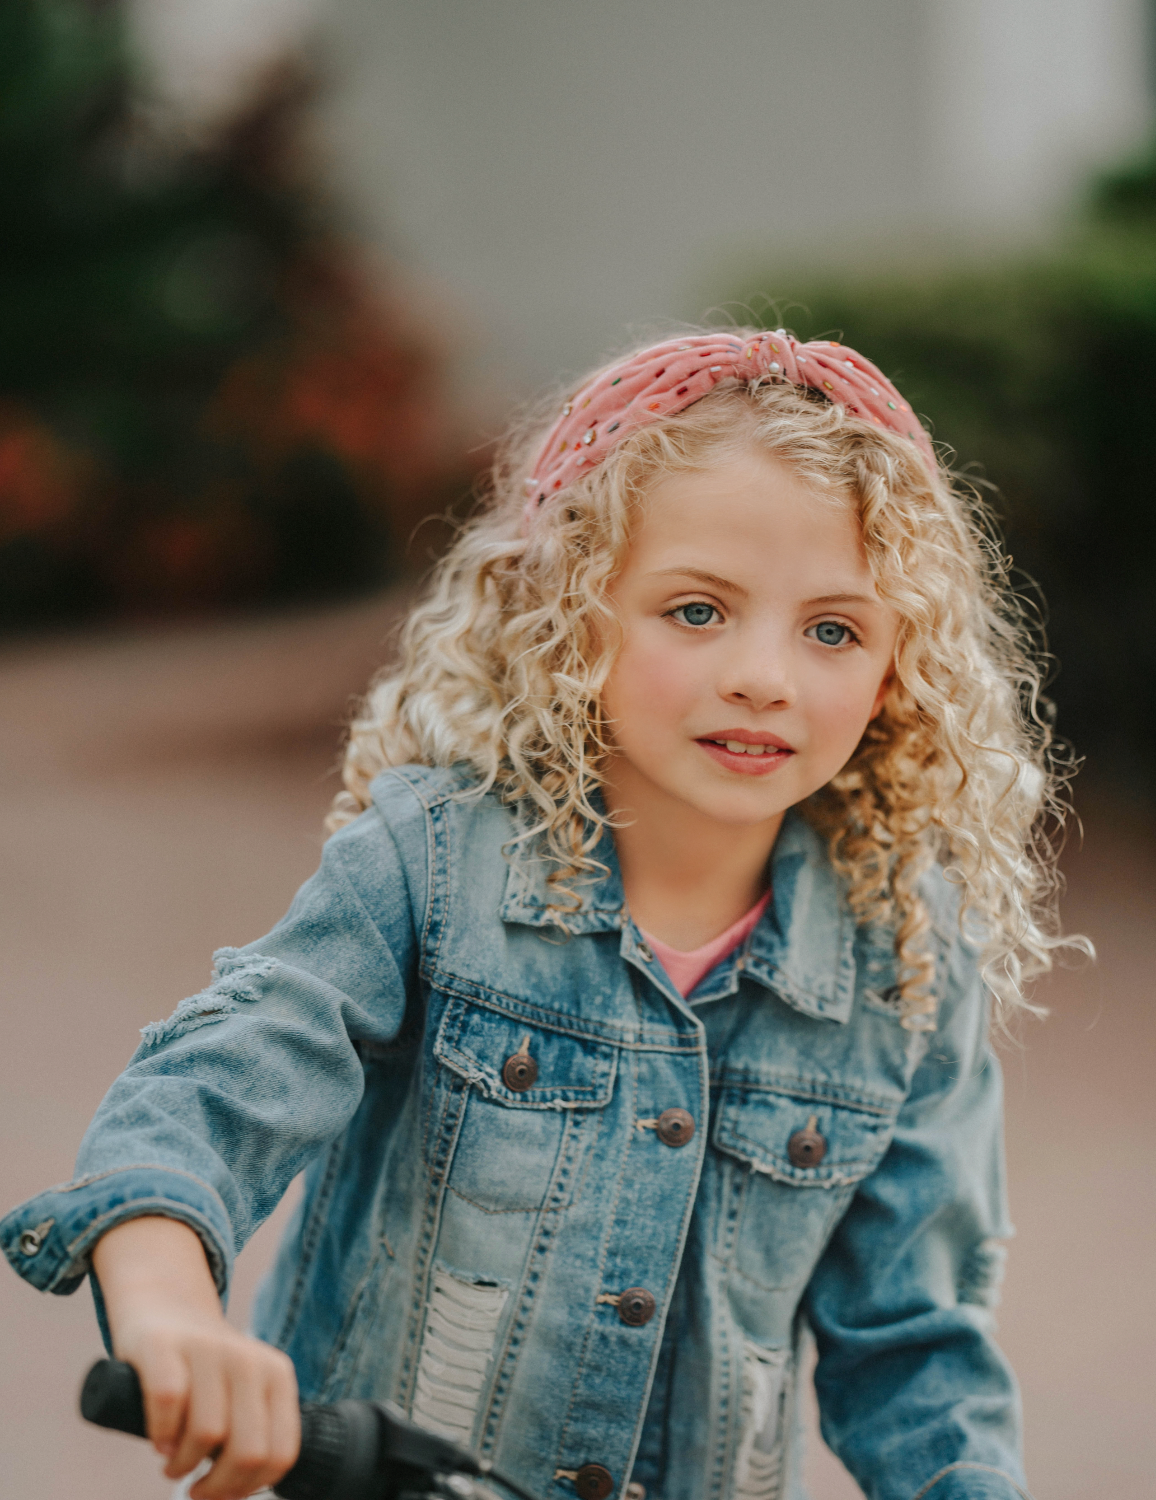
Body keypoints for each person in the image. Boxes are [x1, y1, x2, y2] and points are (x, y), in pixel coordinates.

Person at [2, 329, 1080, 1500]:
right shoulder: (430, 865)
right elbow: (209, 1095)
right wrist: (169, 1309)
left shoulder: (907, 965)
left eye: (832, 629)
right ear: (568, 609)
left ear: (896, 668)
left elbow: (915, 1349)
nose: (765, 674)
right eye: (697, 611)